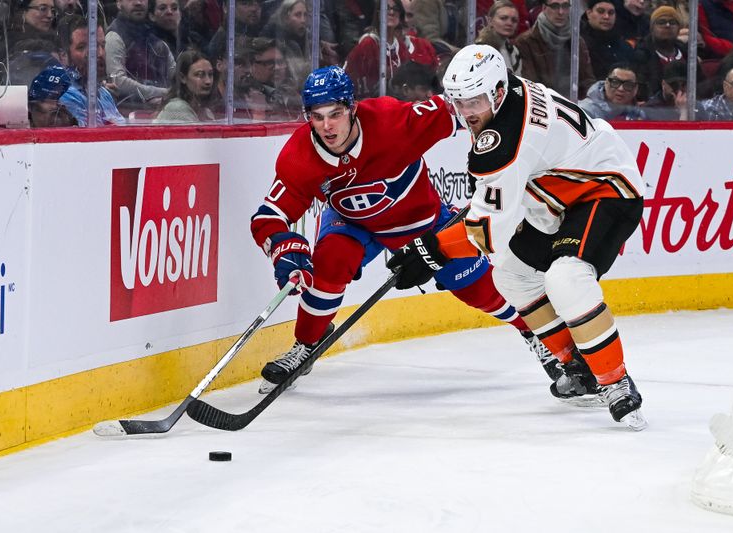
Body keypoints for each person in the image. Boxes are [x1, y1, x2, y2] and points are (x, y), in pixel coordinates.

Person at [251, 65, 559, 393]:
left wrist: (519, 118)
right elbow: (267, 217)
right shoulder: (299, 156)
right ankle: (307, 346)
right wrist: (281, 247)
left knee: (478, 287)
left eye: (336, 114)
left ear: (352, 108)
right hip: (351, 222)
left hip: (419, 221)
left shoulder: (393, 121)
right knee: (330, 260)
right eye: (317, 116)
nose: (327, 126)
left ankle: (539, 335)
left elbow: (463, 104)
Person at [387, 44, 647, 429]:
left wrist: (434, 249)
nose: (466, 112)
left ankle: (616, 382)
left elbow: (488, 232)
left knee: (566, 277)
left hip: (608, 189)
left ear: (495, 91)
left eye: (474, 100)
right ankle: (577, 367)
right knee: (509, 274)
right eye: (458, 101)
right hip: (558, 196)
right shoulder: (507, 94)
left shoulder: (505, 138)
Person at [344, 0, 439, 98]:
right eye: (387, 8)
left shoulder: (400, 46)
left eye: (395, 9)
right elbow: (357, 83)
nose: (391, 12)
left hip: (395, 105)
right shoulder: (369, 43)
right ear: (378, 13)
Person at [514, 0, 596, 99]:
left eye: (565, 6)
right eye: (555, 6)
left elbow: (587, 80)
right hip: (545, 103)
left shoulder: (576, 40)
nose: (561, 12)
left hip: (576, 104)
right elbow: (531, 85)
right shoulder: (526, 42)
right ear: (544, 8)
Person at [57, 15, 125, 126]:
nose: (100, 54)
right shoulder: (66, 95)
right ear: (63, 56)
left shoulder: (104, 94)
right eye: (82, 47)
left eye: (102, 45)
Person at [155, 49, 216, 123]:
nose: (208, 81)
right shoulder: (177, 108)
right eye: (200, 75)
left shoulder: (206, 111)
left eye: (210, 74)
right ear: (182, 78)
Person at [580, 0, 634, 80]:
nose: (606, 17)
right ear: (589, 13)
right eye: (600, 12)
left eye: (611, 13)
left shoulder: (624, 46)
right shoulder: (579, 43)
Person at [579, 63, 646, 120]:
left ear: (636, 89)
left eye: (628, 85)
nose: (621, 89)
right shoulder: (584, 111)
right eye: (615, 82)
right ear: (606, 83)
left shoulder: (640, 115)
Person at [474, 0, 523, 75]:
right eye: (503, 18)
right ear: (490, 21)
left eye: (514, 20)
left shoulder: (514, 51)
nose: (509, 23)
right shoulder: (480, 49)